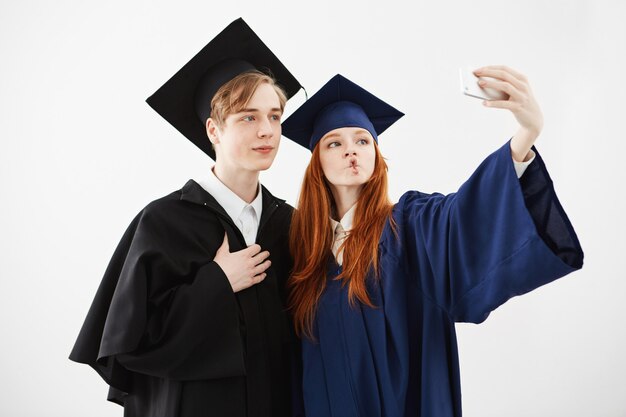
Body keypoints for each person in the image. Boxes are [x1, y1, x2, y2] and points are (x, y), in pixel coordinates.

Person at [281, 71, 584, 417]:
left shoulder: (408, 226)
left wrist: (524, 137)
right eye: (335, 143)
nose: (351, 150)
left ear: (377, 156)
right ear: (316, 163)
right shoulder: (303, 254)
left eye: (362, 141)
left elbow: (464, 216)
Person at [69, 18, 303, 417]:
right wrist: (217, 283)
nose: (267, 131)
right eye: (248, 117)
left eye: (275, 116)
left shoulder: (290, 223)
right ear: (213, 130)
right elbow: (130, 344)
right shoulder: (164, 222)